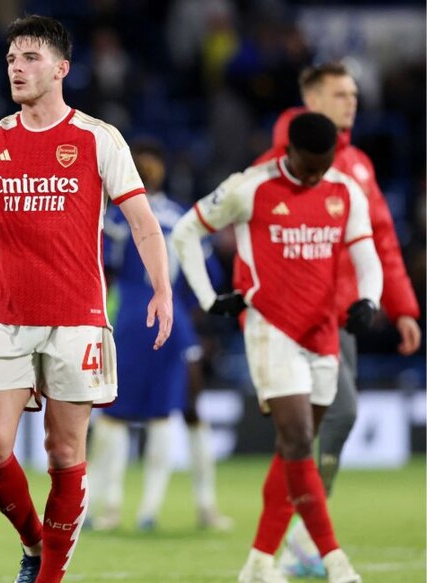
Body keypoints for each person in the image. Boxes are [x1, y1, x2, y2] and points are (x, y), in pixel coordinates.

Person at [0, 16, 174, 583]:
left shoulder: (98, 138)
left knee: (63, 452)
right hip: (6, 319)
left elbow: (143, 222)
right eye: (11, 58)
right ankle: (35, 543)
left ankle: (48, 575)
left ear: (61, 69)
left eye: (30, 57)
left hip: (77, 318)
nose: (16, 67)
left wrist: (162, 288)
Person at [172, 112, 379, 583]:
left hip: (323, 333)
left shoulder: (345, 190)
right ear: (290, 152)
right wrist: (209, 298)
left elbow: (366, 255)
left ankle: (258, 563)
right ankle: (335, 560)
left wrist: (369, 298)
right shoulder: (249, 187)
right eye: (309, 165)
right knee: (299, 440)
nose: (317, 175)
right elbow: (186, 231)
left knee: (293, 451)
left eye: (325, 165)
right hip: (272, 329)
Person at [252, 61, 422, 578]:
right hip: (293, 323)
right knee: (335, 418)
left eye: (354, 94)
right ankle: (298, 545)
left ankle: (289, 548)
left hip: (343, 318)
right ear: (312, 100)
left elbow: (382, 241)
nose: (352, 102)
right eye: (341, 94)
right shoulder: (277, 164)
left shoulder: (359, 165)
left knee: (310, 434)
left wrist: (402, 307)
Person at [88, 143, 232, 533]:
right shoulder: (183, 218)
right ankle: (174, 508)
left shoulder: (113, 219)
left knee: (115, 415)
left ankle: (109, 506)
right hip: (175, 321)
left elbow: (100, 271)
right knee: (179, 412)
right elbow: (210, 278)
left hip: (128, 320)